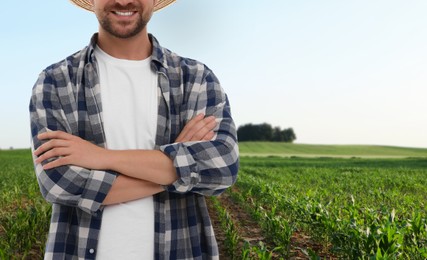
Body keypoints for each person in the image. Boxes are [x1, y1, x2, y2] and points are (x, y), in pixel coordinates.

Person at [29, 0, 239, 259]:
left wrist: (101, 157)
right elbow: (59, 183)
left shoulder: (195, 78)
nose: (124, 0)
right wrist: (177, 165)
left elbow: (222, 166)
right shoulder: (55, 81)